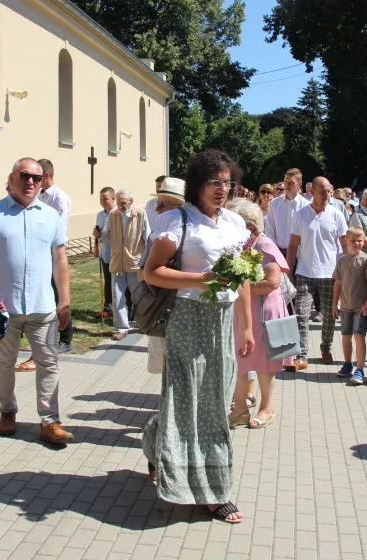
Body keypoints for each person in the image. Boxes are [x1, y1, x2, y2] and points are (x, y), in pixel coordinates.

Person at [141, 148, 255, 524]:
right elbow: (152, 272)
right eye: (214, 182)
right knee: (189, 401)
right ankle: (213, 491)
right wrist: (201, 278)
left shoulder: (234, 224)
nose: (222, 189)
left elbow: (242, 280)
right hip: (187, 317)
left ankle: (157, 444)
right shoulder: (178, 220)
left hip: (221, 319)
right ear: (198, 185)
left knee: (216, 399)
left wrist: (248, 325)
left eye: (227, 182)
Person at [0, 157, 74, 443]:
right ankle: (7, 411)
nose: (31, 182)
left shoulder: (50, 215)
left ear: (43, 181)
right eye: (25, 176)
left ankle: (50, 421)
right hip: (5, 307)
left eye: (36, 178)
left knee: (49, 363)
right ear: (12, 177)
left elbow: (60, 260)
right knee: (4, 363)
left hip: (42, 306)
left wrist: (64, 300)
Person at [225, 199, 289, 429]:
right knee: (240, 358)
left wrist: (238, 285)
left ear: (249, 226)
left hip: (264, 310)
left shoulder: (265, 245)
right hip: (244, 310)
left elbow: (273, 282)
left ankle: (267, 407)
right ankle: (240, 408)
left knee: (264, 361)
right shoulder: (238, 246)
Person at [16, 158, 72, 365]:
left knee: (60, 296)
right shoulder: (40, 196)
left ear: (45, 176)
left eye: (37, 177)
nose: (32, 181)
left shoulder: (60, 198)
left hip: (53, 252)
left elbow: (60, 227)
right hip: (40, 254)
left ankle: (65, 338)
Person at [287, 177, 347, 367]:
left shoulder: (336, 215)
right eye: (323, 192)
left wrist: (345, 272)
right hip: (305, 271)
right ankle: (301, 353)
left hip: (330, 273)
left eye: (330, 191)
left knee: (329, 315)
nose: (327, 195)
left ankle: (326, 347)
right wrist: (289, 272)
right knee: (301, 314)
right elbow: (293, 245)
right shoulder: (301, 215)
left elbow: (345, 246)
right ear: (312, 191)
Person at [138, 178, 187, 375]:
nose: (157, 209)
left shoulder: (186, 232)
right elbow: (142, 271)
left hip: (176, 305)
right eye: (158, 203)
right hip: (161, 304)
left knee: (177, 361)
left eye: (162, 204)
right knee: (165, 363)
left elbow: (145, 272)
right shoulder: (157, 233)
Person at [104, 189, 150, 341]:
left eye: (123, 203)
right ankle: (121, 328)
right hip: (117, 261)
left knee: (139, 296)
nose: (120, 206)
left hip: (135, 262)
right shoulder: (113, 214)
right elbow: (106, 234)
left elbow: (148, 238)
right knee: (117, 296)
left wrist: (146, 261)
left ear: (131, 201)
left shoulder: (141, 214)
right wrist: (99, 234)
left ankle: (143, 323)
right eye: (118, 203)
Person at [332, 227, 367, 385]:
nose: (357, 243)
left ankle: (360, 368)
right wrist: (334, 304)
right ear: (346, 241)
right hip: (345, 306)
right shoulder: (342, 260)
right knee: (345, 336)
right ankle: (347, 363)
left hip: (360, 307)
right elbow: (338, 283)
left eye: (360, 240)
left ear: (364, 241)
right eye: (353, 240)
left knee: (359, 336)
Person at [264, 168, 308, 257]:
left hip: (299, 255)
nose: (287, 185)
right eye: (285, 181)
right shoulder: (274, 204)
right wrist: (275, 252)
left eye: (291, 182)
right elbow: (270, 229)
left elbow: (307, 234)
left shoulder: (307, 206)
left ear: (299, 184)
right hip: (278, 252)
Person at [93, 186, 117, 319]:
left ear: (113, 199)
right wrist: (96, 247)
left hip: (117, 253)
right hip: (105, 252)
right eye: (101, 199)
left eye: (105, 199)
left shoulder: (118, 213)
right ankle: (108, 307)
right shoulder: (100, 215)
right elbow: (97, 232)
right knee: (107, 281)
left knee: (117, 282)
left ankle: (123, 308)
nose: (102, 201)